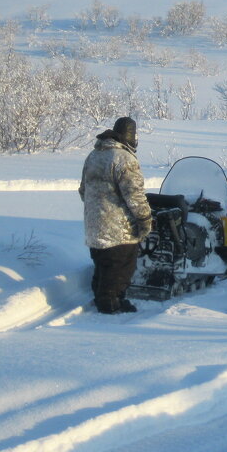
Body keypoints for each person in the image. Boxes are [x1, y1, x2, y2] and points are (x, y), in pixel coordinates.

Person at [79, 116, 151, 313]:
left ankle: (104, 297)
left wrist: (97, 211)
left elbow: (83, 190)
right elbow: (134, 195)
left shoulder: (94, 156)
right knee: (121, 268)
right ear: (130, 137)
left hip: (94, 225)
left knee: (102, 265)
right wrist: (145, 220)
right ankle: (109, 304)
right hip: (119, 228)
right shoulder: (125, 159)